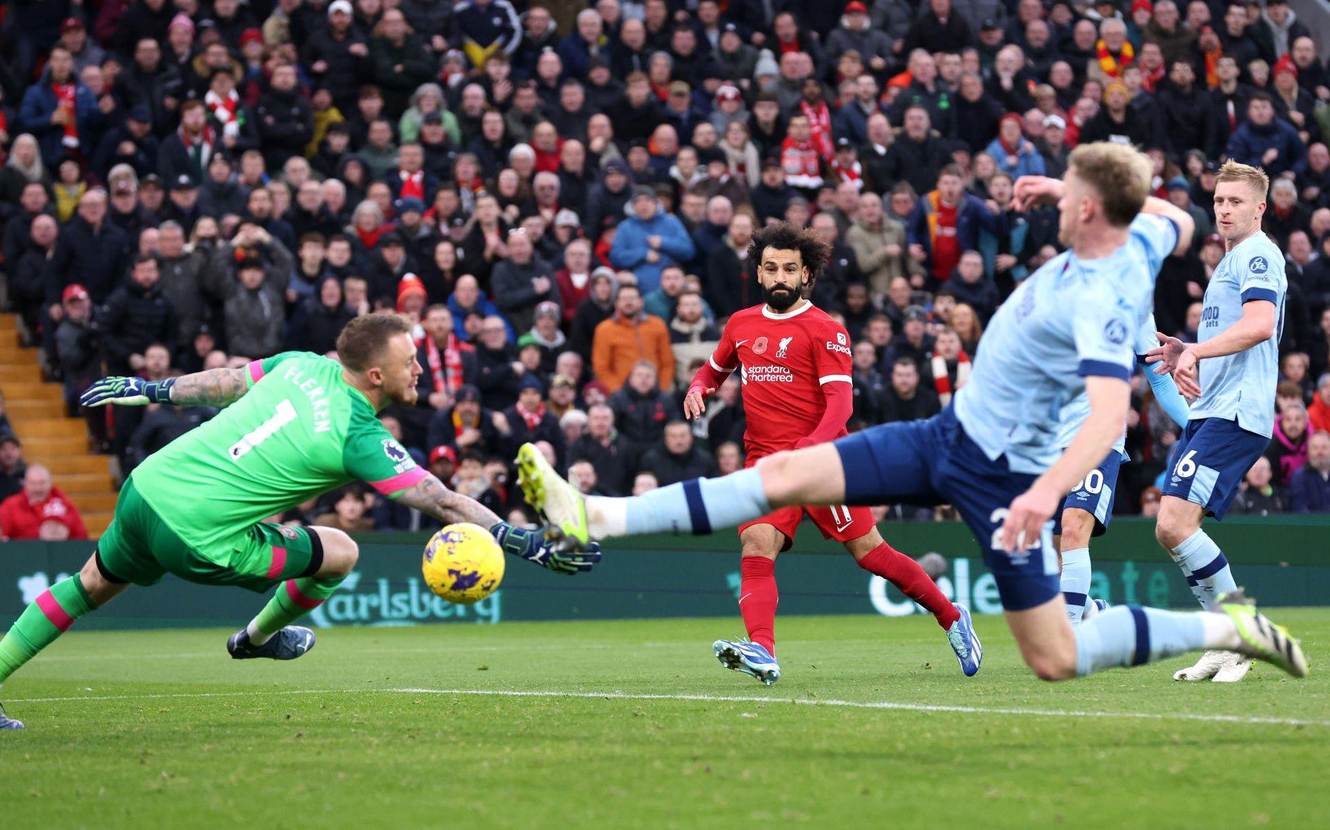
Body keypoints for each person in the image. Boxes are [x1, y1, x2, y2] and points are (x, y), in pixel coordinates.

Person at [517, 145, 1308, 688]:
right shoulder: (1146, 236)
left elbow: (1108, 416)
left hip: (1003, 477)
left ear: (1093, 210)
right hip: (943, 436)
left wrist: (1046, 492)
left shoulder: (1106, 297)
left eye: (1070, 197)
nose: (1054, 206)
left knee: (1055, 656)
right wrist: (1078, 188)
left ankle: (1223, 630)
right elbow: (1173, 215)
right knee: (780, 474)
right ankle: (596, 513)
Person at [0, 314, 598, 730]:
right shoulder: (358, 433)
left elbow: (228, 380)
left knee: (90, 584)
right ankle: (257, 638)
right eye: (409, 363)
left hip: (148, 489)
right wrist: (522, 541)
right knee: (340, 552)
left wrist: (153, 389)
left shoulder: (299, 364)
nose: (420, 370)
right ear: (376, 374)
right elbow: (443, 501)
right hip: (198, 536)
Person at [679, 224, 977, 684]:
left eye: (790, 269)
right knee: (756, 542)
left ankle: (952, 617)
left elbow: (841, 405)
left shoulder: (826, 330)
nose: (780, 276)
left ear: (807, 275)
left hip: (821, 463)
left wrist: (809, 448)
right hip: (766, 463)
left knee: (872, 554)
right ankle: (762, 649)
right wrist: (699, 387)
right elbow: (714, 370)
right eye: (772, 268)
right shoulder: (740, 324)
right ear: (759, 273)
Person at [1145, 161, 1289, 684]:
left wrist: (1197, 352)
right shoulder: (1230, 260)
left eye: (1235, 202)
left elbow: (1259, 325)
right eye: (1219, 200)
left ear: (1259, 208)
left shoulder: (1257, 255)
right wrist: (1189, 348)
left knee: (1173, 524)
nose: (1224, 209)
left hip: (1235, 411)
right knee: (1173, 529)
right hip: (1211, 411)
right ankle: (1224, 638)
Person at [1051, 313, 1189, 627]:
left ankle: (1069, 638)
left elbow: (1159, 379)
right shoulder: (1050, 291)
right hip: (1047, 440)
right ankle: (1090, 610)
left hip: (1099, 436)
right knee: (1051, 552)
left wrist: (1197, 429)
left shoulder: (1136, 305)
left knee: (1074, 526)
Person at [1289, 430, 1330, 512]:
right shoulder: (1299, 477)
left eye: (1324, 447)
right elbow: (1300, 509)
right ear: (1308, 451)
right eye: (1315, 448)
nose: (1319, 452)